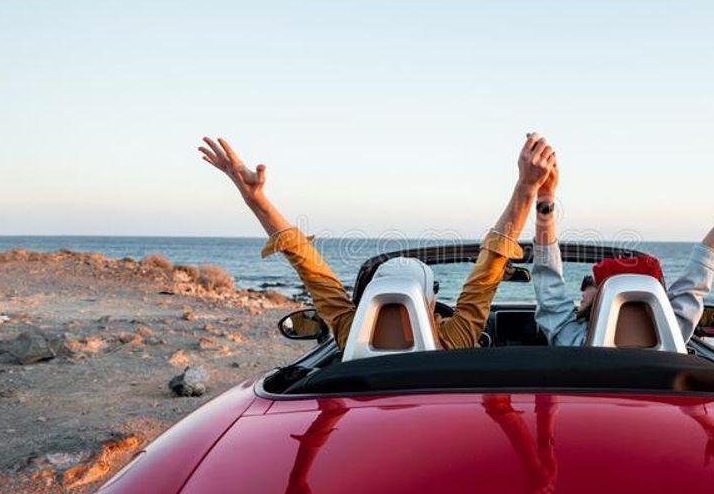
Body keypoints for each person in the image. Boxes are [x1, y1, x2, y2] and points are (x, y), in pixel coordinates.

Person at [199, 133, 557, 350]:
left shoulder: (347, 334)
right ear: (430, 304)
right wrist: (528, 187)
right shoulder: (454, 340)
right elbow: (492, 261)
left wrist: (256, 199)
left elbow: (306, 262)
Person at [532, 150, 714, 345]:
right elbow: (700, 271)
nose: (583, 295)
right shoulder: (676, 332)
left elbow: (547, 277)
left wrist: (544, 196)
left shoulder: (572, 341)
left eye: (592, 288)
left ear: (604, 305)